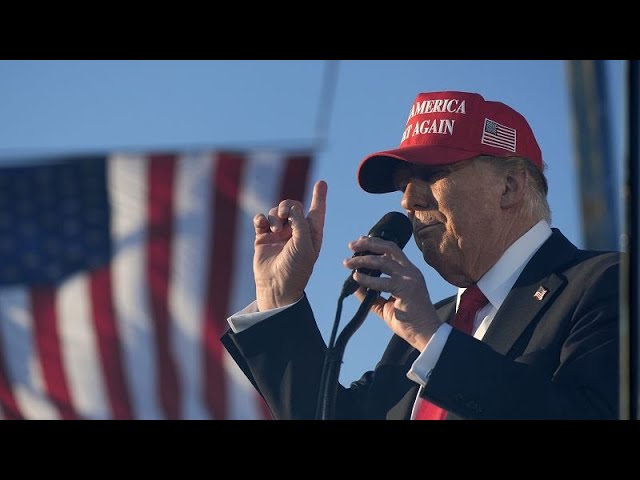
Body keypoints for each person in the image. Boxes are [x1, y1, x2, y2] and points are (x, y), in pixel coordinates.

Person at [221, 90, 620, 420]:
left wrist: (432, 337)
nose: (408, 200)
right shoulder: (428, 327)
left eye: (432, 175)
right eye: (403, 184)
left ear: (510, 187)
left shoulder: (608, 284)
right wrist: (280, 298)